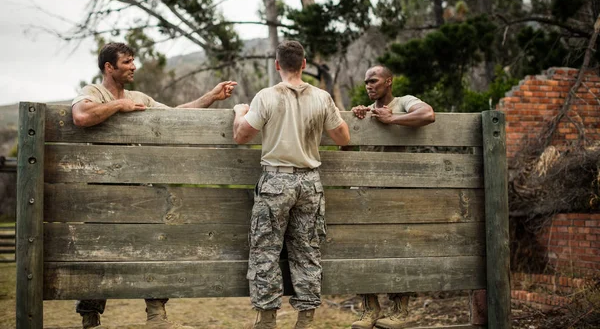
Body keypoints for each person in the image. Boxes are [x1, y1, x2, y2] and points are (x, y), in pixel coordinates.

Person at [71, 42, 237, 329]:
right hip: (103, 192)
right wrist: (119, 105)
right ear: (109, 67)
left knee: (154, 244)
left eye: (133, 61)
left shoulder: (139, 97)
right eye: (126, 62)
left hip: (141, 190)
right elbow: (82, 116)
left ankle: (156, 313)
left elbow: (174, 114)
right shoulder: (93, 92)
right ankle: (90, 316)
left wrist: (210, 96)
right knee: (98, 249)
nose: (133, 66)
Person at [232, 40, 350, 329]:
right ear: (304, 64)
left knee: (265, 251)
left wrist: (238, 111)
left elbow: (241, 136)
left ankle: (267, 321)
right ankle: (305, 321)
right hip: (310, 183)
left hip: (276, 181)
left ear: (277, 65)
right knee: (306, 250)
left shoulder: (266, 97)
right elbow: (343, 138)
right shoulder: (322, 98)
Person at [350, 65, 435, 329]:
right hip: (364, 192)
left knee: (398, 248)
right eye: (365, 82)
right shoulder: (365, 109)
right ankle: (369, 309)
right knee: (361, 251)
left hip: (395, 191)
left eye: (373, 80)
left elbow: (428, 114)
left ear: (388, 81)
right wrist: (356, 121)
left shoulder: (404, 102)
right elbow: (345, 147)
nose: (368, 85)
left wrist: (392, 119)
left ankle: (399, 310)